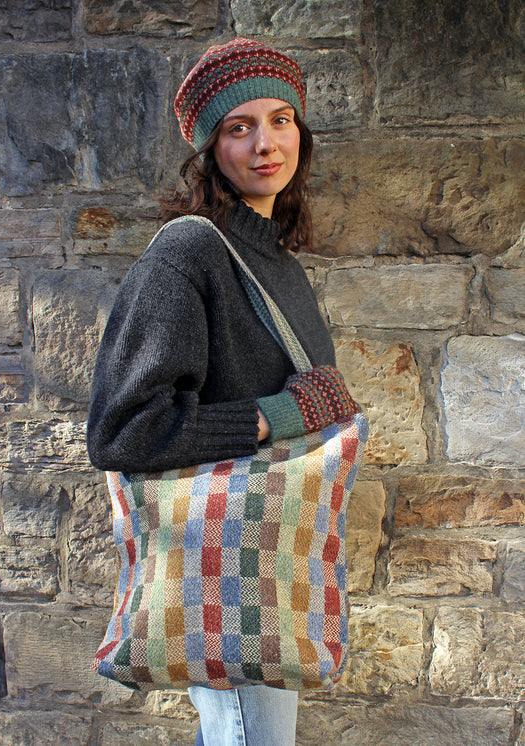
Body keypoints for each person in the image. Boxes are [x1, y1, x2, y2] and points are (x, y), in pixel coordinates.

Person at [87, 38, 358, 746]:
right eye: (238, 128)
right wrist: (277, 416)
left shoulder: (280, 263)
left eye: (280, 121)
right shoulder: (188, 252)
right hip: (226, 571)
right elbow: (122, 431)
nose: (265, 144)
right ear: (211, 148)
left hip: (274, 565)